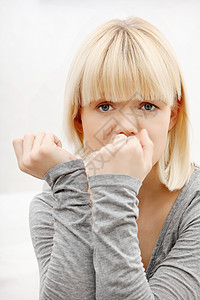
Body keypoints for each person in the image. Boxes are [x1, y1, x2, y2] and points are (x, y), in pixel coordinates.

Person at [12, 17, 200, 299]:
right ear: (79, 119)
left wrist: (115, 190)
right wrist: (73, 191)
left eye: (148, 105)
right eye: (105, 105)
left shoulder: (193, 205)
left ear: (172, 115)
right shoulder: (59, 201)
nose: (126, 125)